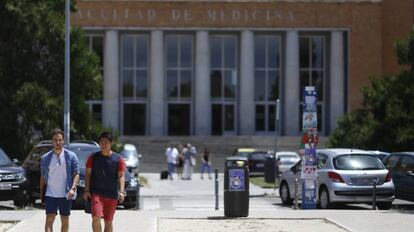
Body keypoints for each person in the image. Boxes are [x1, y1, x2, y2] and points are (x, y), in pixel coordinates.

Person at [83, 132, 126, 232]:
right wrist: (86, 190)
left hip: (111, 194)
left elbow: (121, 176)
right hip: (96, 193)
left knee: (108, 221)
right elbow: (88, 175)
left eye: (106, 142)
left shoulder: (118, 159)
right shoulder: (93, 158)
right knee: (96, 217)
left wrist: (122, 191)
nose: (103, 144)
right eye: (101, 142)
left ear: (111, 143)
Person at [40, 128, 80, 232]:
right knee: (49, 220)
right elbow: (43, 177)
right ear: (52, 141)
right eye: (55, 140)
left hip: (65, 194)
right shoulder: (45, 158)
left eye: (59, 140)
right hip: (50, 194)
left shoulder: (71, 156)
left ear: (63, 141)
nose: (57, 142)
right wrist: (42, 194)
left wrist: (73, 188)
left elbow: (76, 174)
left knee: (65, 221)